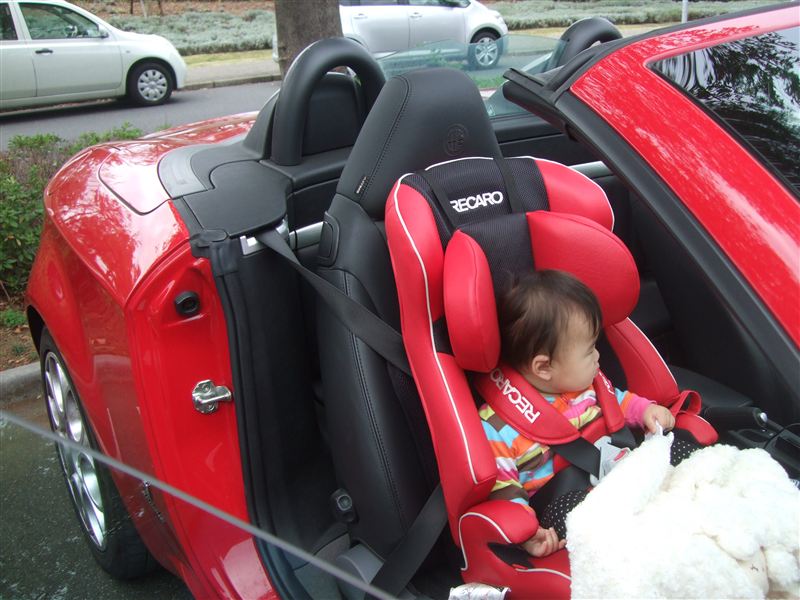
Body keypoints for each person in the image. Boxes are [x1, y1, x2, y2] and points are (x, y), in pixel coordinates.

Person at [479, 269, 677, 558]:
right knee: (579, 518)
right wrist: (526, 531)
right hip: (564, 500)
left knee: (676, 450)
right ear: (543, 367)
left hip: (618, 470)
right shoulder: (498, 425)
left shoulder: (583, 384)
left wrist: (646, 410)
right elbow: (505, 489)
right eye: (589, 350)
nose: (598, 356)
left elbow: (617, 402)